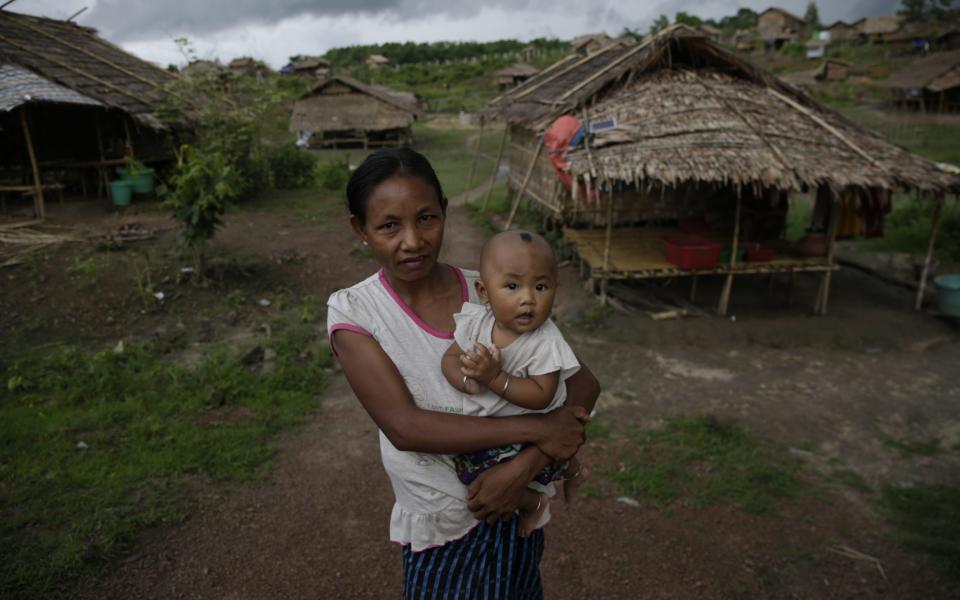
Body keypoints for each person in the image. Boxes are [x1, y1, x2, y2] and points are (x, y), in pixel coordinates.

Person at [327, 147, 600, 599]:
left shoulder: (492, 291)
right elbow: (405, 426)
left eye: (426, 218)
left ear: (445, 212)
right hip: (441, 528)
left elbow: (583, 384)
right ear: (360, 229)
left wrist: (524, 466)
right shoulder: (355, 311)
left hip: (512, 511)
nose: (412, 240)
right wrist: (542, 430)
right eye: (389, 225)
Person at [441, 230, 588, 538]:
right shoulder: (478, 323)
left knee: (476, 475)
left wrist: (495, 378)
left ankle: (534, 502)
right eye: (511, 286)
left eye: (541, 286)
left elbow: (542, 395)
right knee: (464, 465)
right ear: (483, 291)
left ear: (555, 290)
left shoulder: (545, 341)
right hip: (500, 427)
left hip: (531, 429)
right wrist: (467, 380)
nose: (527, 298)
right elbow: (450, 358)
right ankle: (571, 467)